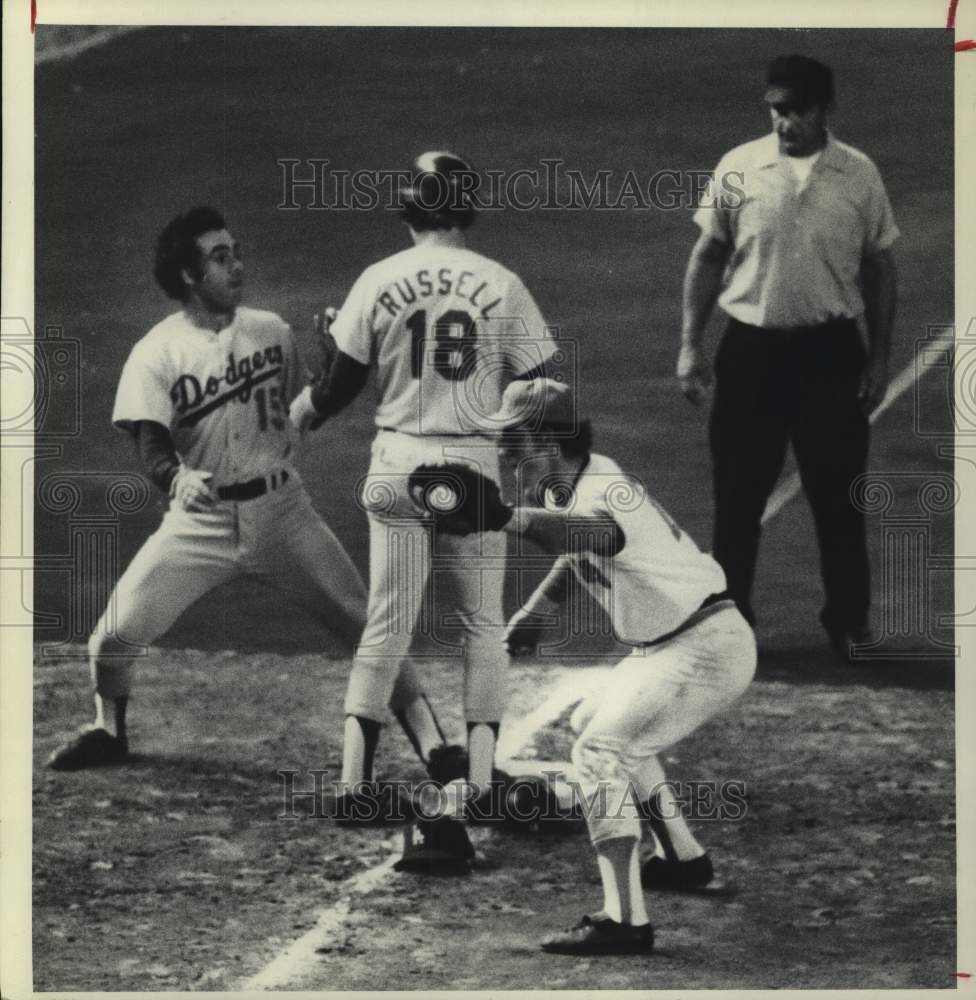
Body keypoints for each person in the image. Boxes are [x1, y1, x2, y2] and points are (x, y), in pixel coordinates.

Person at [48, 206, 449, 775]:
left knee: (368, 627)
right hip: (201, 525)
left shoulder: (271, 330)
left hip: (284, 513)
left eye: (236, 253)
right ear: (188, 275)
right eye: (220, 256)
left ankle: (438, 747)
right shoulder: (156, 353)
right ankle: (109, 730)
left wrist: (336, 369)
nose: (236, 266)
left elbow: (306, 409)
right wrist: (177, 478)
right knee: (112, 639)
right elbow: (151, 442)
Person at [290, 151, 557, 861]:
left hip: (396, 465)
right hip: (470, 463)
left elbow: (339, 386)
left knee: (387, 622)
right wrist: (512, 431)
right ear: (465, 212)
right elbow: (541, 385)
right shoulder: (501, 284)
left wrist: (304, 408)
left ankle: (352, 781)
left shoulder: (378, 279)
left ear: (410, 211)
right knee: (482, 625)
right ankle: (477, 781)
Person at [487, 378, 756, 955]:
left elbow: (595, 535)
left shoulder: (606, 491)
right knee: (604, 737)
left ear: (550, 443)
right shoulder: (571, 481)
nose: (504, 454)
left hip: (703, 646)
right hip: (672, 644)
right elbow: (573, 544)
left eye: (514, 442)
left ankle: (625, 921)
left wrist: (508, 518)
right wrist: (535, 611)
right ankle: (685, 861)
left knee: (599, 752)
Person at [677, 54, 898, 655]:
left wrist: (878, 360)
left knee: (839, 497)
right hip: (751, 351)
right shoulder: (739, 167)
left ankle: (849, 624)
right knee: (738, 498)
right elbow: (708, 255)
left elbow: (879, 269)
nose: (784, 122)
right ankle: (732, 625)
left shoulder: (859, 175)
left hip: (831, 354)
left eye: (796, 111)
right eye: (776, 109)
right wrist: (690, 346)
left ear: (825, 111)